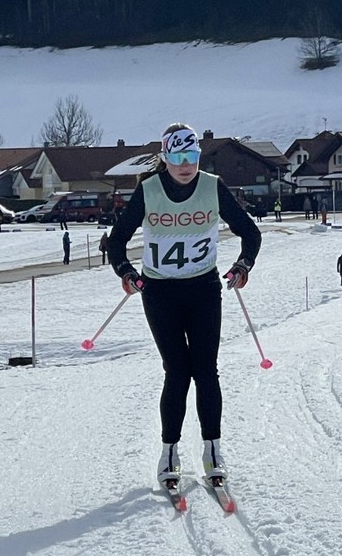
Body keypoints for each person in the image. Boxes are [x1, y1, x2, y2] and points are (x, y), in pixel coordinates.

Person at [107, 123, 261, 486]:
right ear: (165, 157)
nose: (185, 164)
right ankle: (170, 454)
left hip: (204, 288)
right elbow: (116, 243)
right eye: (177, 156)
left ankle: (212, 451)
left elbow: (250, 232)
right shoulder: (148, 190)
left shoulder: (212, 186)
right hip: (160, 292)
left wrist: (243, 265)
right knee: (177, 371)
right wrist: (126, 273)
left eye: (191, 155)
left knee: (206, 370)